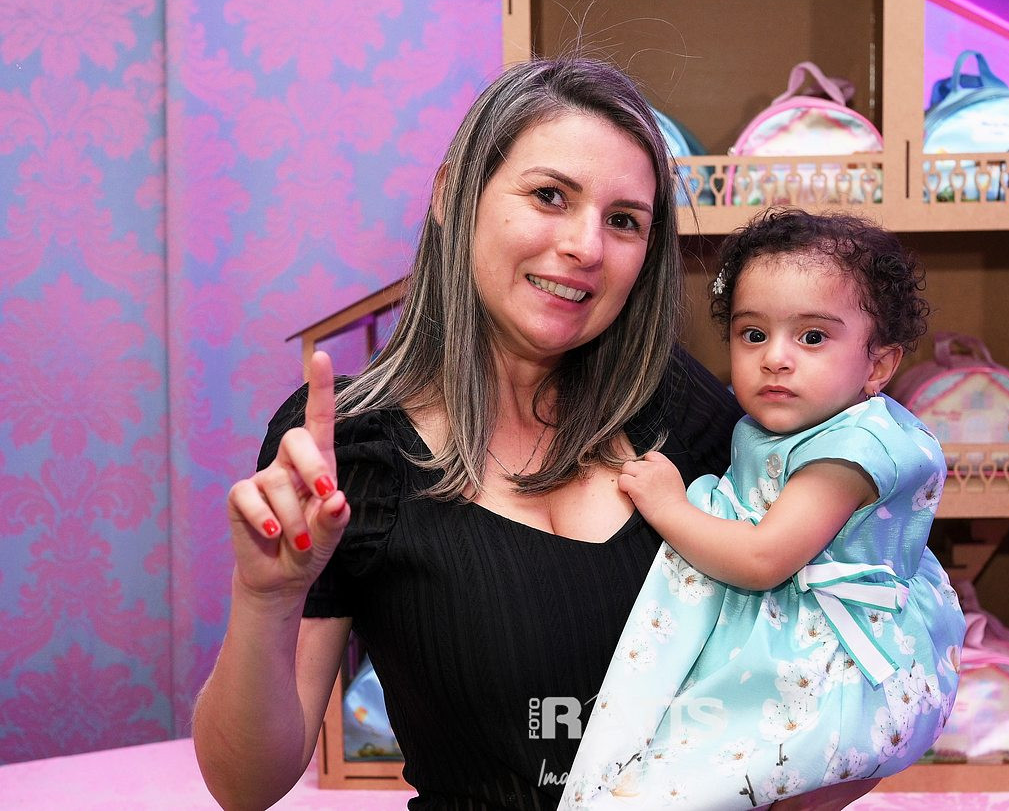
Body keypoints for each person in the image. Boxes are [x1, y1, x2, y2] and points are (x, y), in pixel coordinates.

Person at [191, 55, 758, 811]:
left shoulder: (679, 410)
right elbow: (245, 786)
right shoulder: (346, 449)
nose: (587, 247)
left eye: (624, 221)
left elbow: (841, 642)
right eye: (550, 196)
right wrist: (265, 597)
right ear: (452, 193)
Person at [560, 209, 968, 808]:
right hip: (783, 628)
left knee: (706, 778)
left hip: (829, 664)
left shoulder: (849, 454)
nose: (775, 357)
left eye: (812, 337)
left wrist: (671, 506)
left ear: (878, 365)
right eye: (753, 334)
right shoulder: (800, 415)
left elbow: (761, 559)